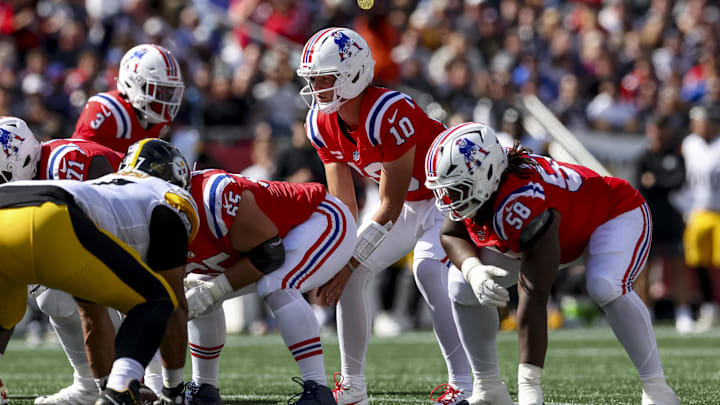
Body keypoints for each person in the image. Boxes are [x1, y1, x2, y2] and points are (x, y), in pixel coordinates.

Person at [425, 122, 680, 405]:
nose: (449, 198)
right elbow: (450, 233)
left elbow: (534, 296)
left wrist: (529, 388)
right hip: (558, 228)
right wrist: (474, 271)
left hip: (611, 215)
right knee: (461, 284)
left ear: (485, 174)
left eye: (457, 188)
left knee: (605, 285)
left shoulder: (522, 201)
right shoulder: (489, 179)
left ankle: (657, 388)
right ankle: (488, 387)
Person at [296, 27, 471, 405]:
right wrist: (332, 259)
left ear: (354, 74)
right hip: (408, 203)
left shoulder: (388, 112)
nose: (317, 88)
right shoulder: (320, 122)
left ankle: (464, 384)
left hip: (444, 200)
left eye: (325, 78)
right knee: (351, 270)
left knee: (427, 271)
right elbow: (344, 208)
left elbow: (389, 205)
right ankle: (353, 386)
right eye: (313, 79)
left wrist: (346, 264)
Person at [0, 132, 198, 405]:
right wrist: (173, 391)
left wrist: (103, 385)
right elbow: (174, 308)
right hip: (50, 213)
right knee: (157, 300)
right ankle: (119, 390)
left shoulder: (105, 189)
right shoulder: (167, 198)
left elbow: (92, 319)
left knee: (5, 317)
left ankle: (110, 389)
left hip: (9, 201)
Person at [182, 168, 356, 405]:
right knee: (197, 288)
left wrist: (213, 291)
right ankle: (204, 389)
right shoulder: (146, 216)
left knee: (277, 285)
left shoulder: (214, 195)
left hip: (319, 219)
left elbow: (270, 254)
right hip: (268, 244)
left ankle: (318, 391)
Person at [71, 44, 184, 153]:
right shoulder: (106, 109)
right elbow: (78, 159)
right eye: (159, 90)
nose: (165, 98)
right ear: (134, 82)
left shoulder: (155, 119)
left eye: (169, 91)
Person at [682, 106, 720, 332]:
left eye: (701, 122)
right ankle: (708, 307)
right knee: (697, 262)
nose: (697, 126)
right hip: (698, 210)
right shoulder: (690, 144)